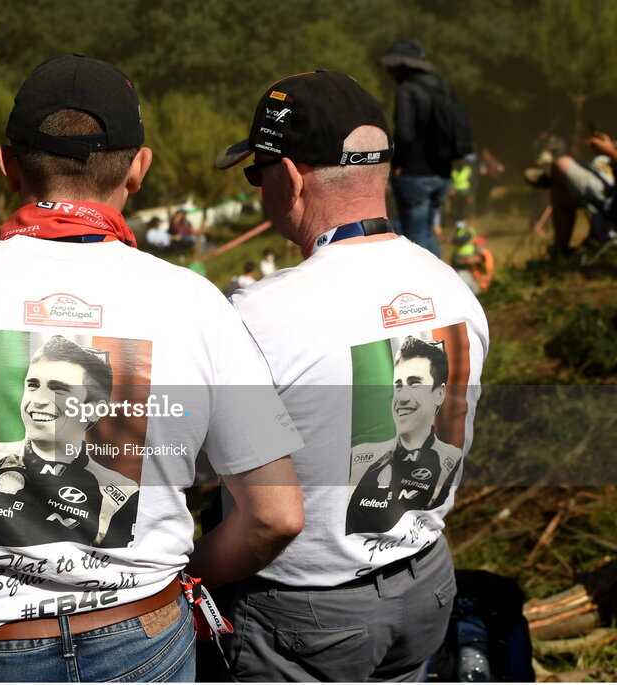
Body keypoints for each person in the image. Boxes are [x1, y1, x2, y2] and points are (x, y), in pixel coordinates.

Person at [0, 53, 304, 682]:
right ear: (139, 169)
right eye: (35, 383)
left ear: (6, 165)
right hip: (144, 636)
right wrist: (179, 574)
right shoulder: (196, 302)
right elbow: (278, 514)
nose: (41, 400)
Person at [215, 69, 489, 681]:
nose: (260, 188)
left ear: (289, 178)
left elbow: (214, 470)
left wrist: (194, 568)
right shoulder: (453, 287)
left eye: (257, 174)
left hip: (309, 613)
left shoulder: (257, 314)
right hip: (427, 581)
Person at [0, 335, 137, 548]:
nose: (38, 400)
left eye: (59, 390)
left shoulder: (123, 494)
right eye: (33, 386)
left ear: (95, 409)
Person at [346, 337, 459, 534]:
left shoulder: (450, 459)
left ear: (439, 394)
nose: (402, 397)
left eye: (415, 384)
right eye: (398, 385)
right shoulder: (358, 455)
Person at [380, 39, 457, 258]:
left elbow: (404, 134)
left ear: (402, 65)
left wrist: (396, 165)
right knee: (427, 232)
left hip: (415, 175)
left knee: (415, 238)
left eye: (392, 65)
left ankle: (425, 279)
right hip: (442, 173)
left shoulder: (407, 90)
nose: (388, 71)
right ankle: (439, 276)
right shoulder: (441, 86)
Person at [538, 131, 617, 257]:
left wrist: (610, 151)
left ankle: (546, 178)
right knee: (560, 195)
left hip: (611, 198)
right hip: (610, 192)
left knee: (562, 163)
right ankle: (561, 252)